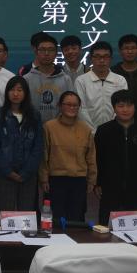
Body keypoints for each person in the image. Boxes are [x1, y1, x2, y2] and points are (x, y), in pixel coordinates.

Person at [94, 90, 137, 224]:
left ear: (135, 107)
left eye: (129, 105)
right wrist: (97, 183)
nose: (125, 110)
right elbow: (98, 159)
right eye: (121, 106)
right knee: (107, 224)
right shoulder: (104, 130)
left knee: (134, 223)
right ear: (114, 108)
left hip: (135, 185)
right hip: (110, 185)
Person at [41, 91, 97, 223]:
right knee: (55, 220)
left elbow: (91, 157)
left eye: (75, 105)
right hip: (56, 180)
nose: (72, 108)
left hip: (79, 181)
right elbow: (44, 155)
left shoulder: (85, 129)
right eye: (68, 104)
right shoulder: (49, 127)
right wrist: (44, 179)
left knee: (76, 220)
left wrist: (92, 180)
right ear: (60, 105)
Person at [0, 76, 43, 212]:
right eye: (12, 90)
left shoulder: (34, 116)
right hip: (5, 173)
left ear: (25, 93)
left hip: (28, 174)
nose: (15, 94)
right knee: (6, 213)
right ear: (7, 92)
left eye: (19, 90)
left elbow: (38, 147)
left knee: (26, 214)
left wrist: (27, 171)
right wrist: (8, 171)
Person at [74, 41, 129, 132]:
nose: (102, 60)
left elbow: (122, 107)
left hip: (115, 131)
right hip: (88, 132)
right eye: (97, 56)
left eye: (106, 56)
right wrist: (93, 132)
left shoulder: (120, 80)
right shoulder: (81, 81)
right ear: (91, 58)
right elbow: (81, 109)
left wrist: (111, 128)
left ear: (111, 59)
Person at [24, 33, 73, 124]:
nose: (46, 53)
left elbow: (71, 105)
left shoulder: (66, 79)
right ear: (36, 52)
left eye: (51, 50)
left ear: (56, 53)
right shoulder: (27, 79)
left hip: (60, 127)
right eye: (42, 50)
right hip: (33, 127)